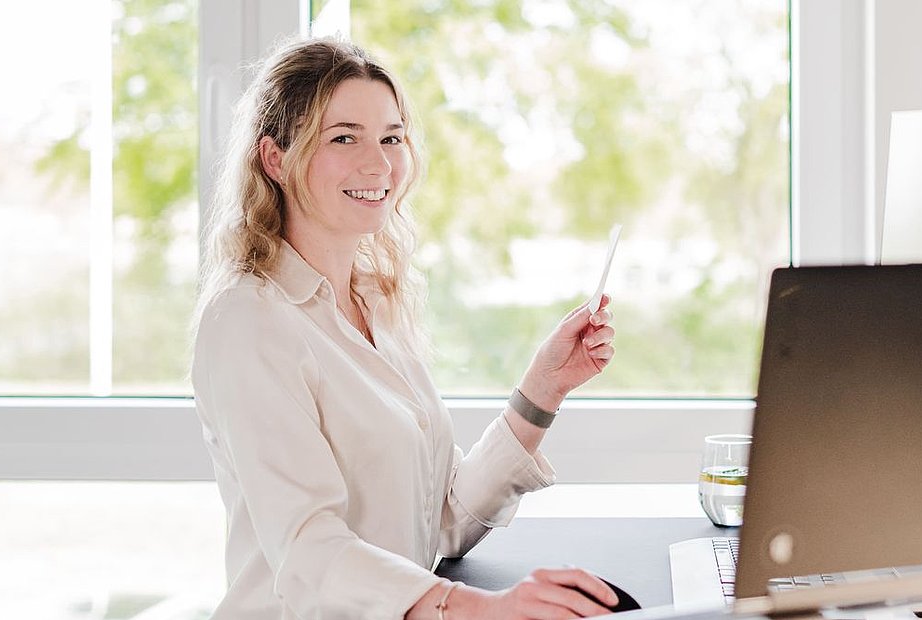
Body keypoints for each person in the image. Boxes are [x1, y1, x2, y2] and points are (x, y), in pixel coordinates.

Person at [191, 36, 619, 620]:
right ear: (275, 159)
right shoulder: (248, 321)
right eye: (344, 138)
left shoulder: (375, 302)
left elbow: (439, 519)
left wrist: (544, 388)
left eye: (391, 138)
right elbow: (309, 550)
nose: (379, 165)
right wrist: (479, 608)